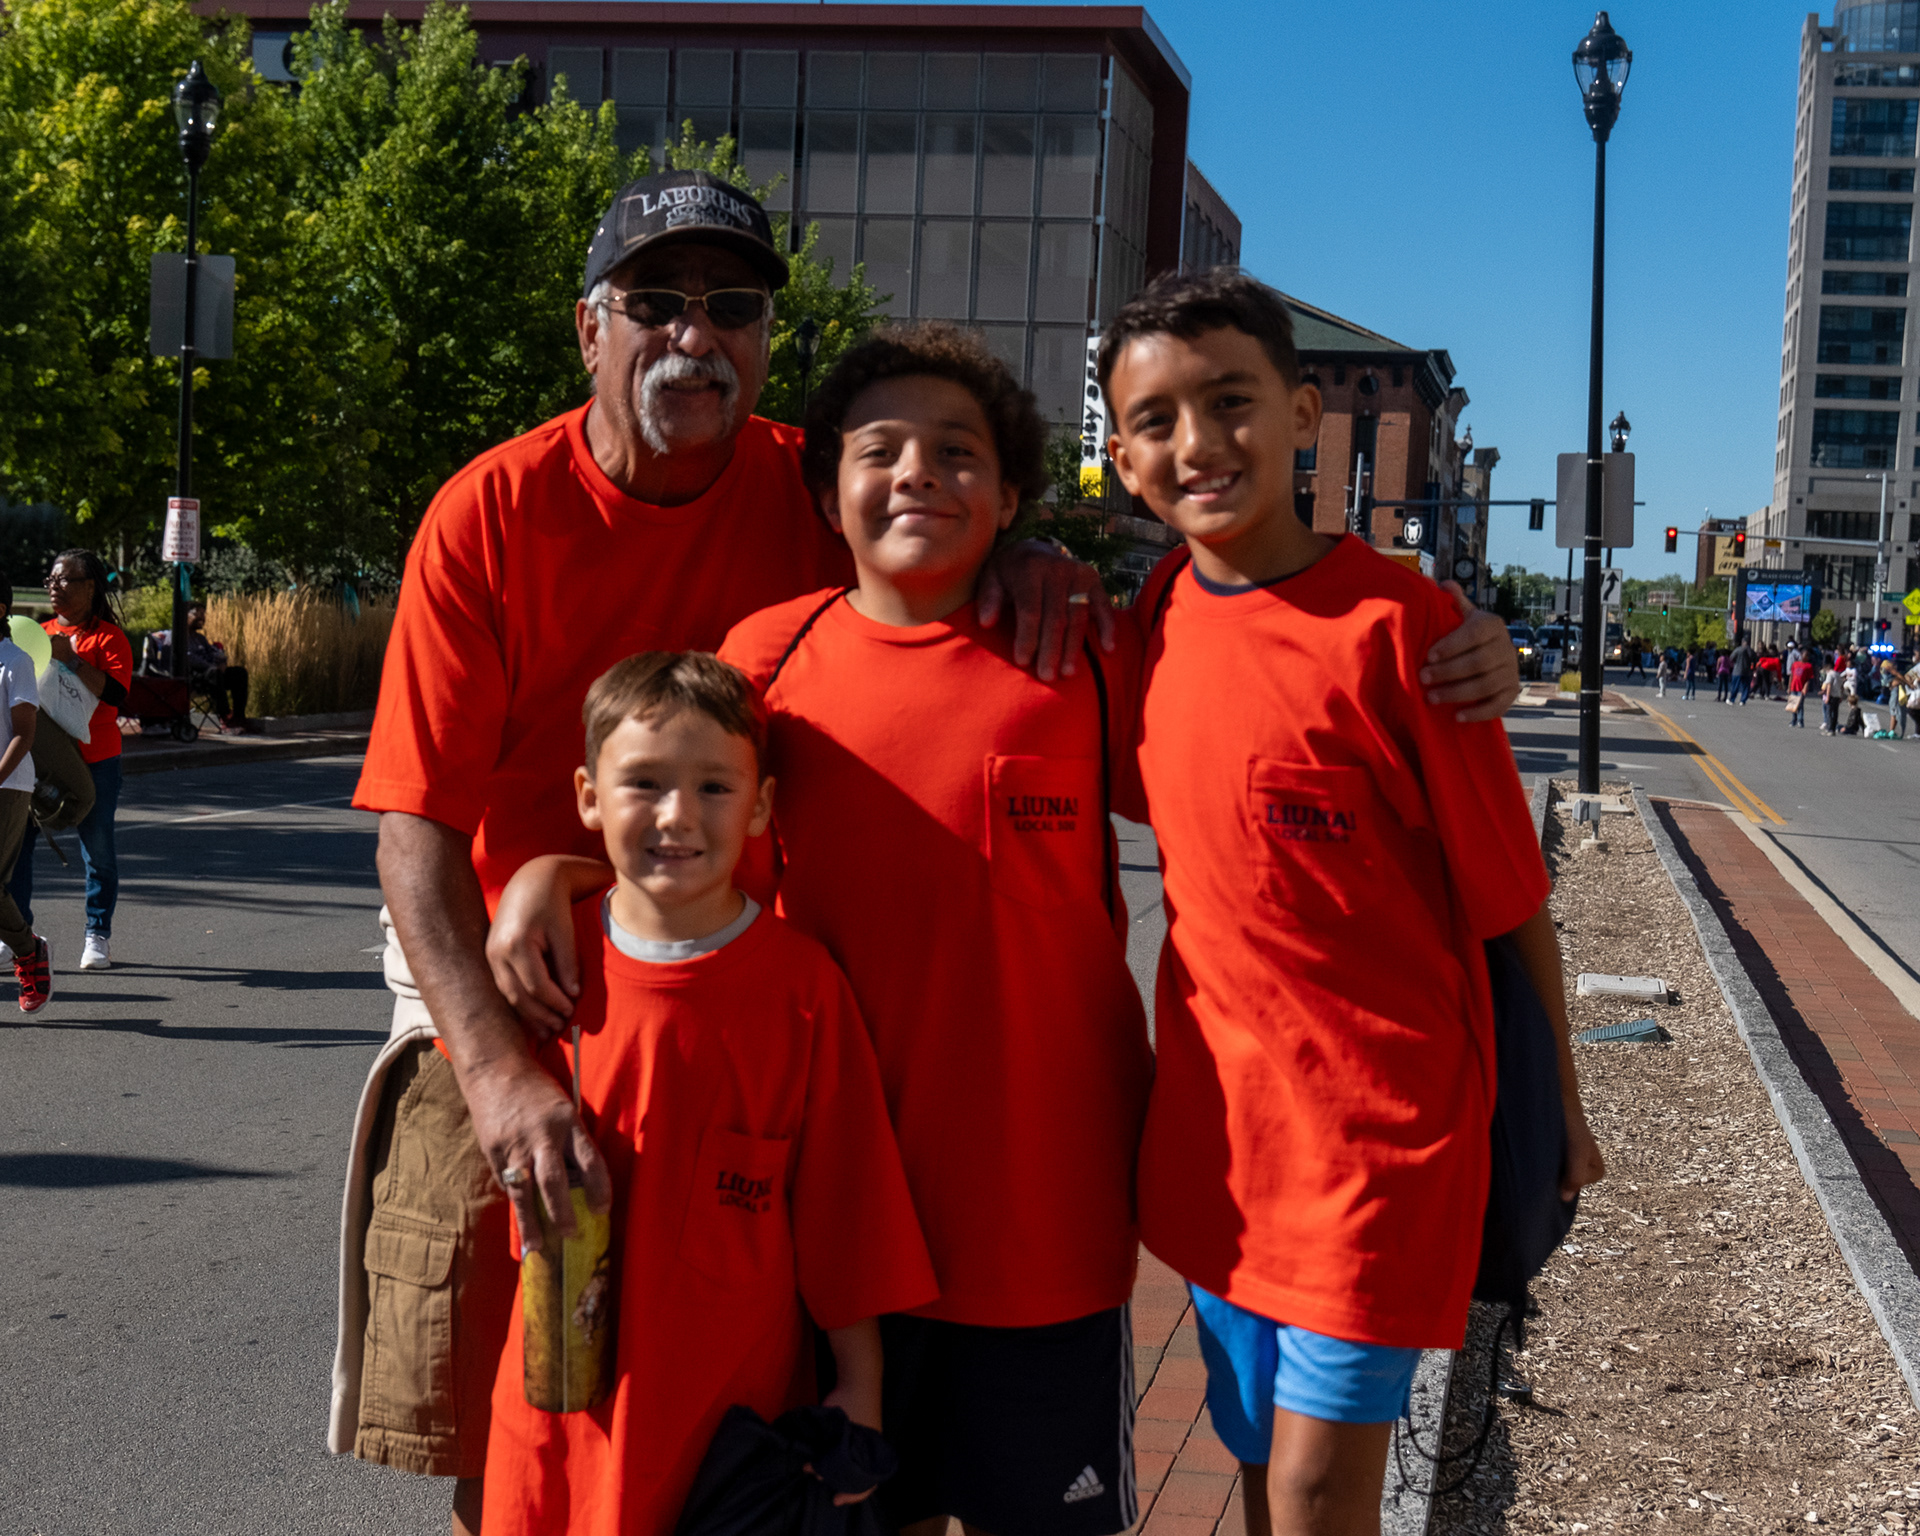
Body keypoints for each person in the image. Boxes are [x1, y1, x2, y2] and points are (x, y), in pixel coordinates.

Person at [335, 168, 1160, 1536]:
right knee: (520, 1384)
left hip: (728, 973)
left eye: (733, 306)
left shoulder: (812, 481)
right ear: (589, 329)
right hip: (520, 973)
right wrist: (494, 1075)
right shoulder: (490, 512)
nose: (694, 336)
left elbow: (933, 531)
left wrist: (1030, 563)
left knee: (734, 1385)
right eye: (654, 302)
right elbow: (414, 826)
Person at [1097, 270, 1606, 1536]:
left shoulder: (1408, 628)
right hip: (1219, 1146)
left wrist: (1562, 1113)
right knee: (1261, 1467)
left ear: (1305, 412)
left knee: (1325, 1493)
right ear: (1119, 457)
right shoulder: (1151, 617)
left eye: (1231, 402)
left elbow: (1509, 899)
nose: (1198, 444)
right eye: (1157, 420)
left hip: (1380, 1148)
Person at [478, 652, 935, 1536]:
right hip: (560, 1407)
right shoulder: (545, 968)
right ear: (587, 795)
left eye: (715, 788)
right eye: (643, 782)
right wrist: (542, 878)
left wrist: (861, 1385)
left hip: (729, 1427)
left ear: (762, 803)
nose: (677, 815)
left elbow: (847, 1209)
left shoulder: (801, 989)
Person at [7, 550, 132, 973]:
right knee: (17, 848)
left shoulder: (108, 638)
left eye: (64, 580)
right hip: (39, 761)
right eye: (51, 580)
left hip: (96, 760)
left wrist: (72, 659)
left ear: (90, 586)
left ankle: (97, 934)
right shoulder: (36, 632)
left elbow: (116, 694)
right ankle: (16, 934)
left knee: (97, 851)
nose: (54, 588)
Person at [0, 576, 52, 1011]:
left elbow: (24, 734)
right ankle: (27, 949)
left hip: (8, 784)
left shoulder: (14, 661)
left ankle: (28, 951)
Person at [148, 604, 251, 730]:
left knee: (239, 673)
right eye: (197, 613)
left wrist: (221, 662)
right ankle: (225, 717)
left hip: (210, 677)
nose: (202, 617)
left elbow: (212, 654)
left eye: (203, 614)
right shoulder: (174, 637)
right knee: (214, 673)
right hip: (190, 678)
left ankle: (239, 717)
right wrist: (213, 666)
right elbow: (188, 658)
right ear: (184, 615)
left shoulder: (200, 638)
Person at [1788, 648, 1816, 729]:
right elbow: (1791, 676)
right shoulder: (1795, 664)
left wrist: (1805, 688)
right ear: (1801, 655)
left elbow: (1808, 679)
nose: (1806, 656)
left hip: (1801, 687)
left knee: (1800, 704)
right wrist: (1789, 687)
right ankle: (1794, 720)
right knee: (1793, 704)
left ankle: (1800, 720)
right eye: (1805, 654)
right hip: (1794, 686)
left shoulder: (1808, 666)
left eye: (1807, 655)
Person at [1727, 635, 1753, 706]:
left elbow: (1731, 658)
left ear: (1743, 642)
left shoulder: (1738, 649)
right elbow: (1754, 659)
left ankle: (1732, 699)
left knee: (1735, 686)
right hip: (1747, 671)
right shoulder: (1751, 651)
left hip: (1737, 670)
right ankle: (1743, 700)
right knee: (1745, 687)